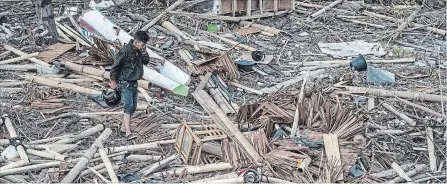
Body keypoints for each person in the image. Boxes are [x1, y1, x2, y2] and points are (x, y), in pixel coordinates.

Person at [109, 31, 150, 140]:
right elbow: (115, 66)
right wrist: (113, 81)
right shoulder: (126, 51)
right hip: (125, 82)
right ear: (137, 42)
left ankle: (123, 128)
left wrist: (144, 52)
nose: (144, 45)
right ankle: (128, 131)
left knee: (133, 106)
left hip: (134, 82)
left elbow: (146, 61)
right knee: (128, 106)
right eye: (143, 43)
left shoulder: (139, 50)